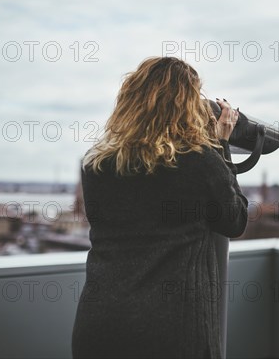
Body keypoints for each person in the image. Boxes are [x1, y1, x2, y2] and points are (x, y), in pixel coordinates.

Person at [71, 56, 249, 359]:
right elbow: (234, 221)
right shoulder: (199, 160)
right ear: (186, 106)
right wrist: (221, 146)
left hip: (99, 321)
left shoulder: (96, 163)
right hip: (171, 328)